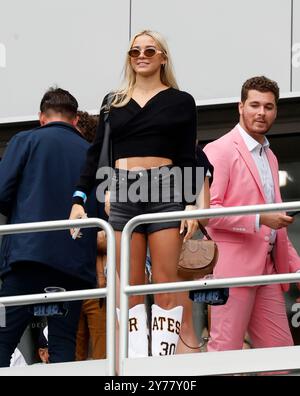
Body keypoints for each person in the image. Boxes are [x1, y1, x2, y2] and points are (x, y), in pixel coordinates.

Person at [70, 30, 211, 357]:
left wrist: (191, 203)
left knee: (164, 285)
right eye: (135, 51)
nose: (141, 55)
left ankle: (162, 362)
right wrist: (79, 198)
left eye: (149, 50)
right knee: (129, 285)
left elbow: (187, 155)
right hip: (122, 187)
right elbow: (96, 154)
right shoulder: (113, 101)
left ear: (163, 57)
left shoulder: (181, 101)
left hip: (165, 186)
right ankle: (136, 362)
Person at [0, 87, 98, 367]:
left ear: (41, 117)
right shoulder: (90, 153)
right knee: (63, 344)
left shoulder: (25, 140)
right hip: (73, 264)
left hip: (27, 257)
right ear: (76, 120)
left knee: (3, 337)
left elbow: (1, 192)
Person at [203, 76, 300, 351]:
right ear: (240, 106)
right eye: (254, 105)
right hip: (232, 270)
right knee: (225, 354)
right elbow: (208, 212)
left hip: (267, 270)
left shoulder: (270, 156)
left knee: (279, 357)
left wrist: (296, 268)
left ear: (276, 111)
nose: (261, 112)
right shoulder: (219, 149)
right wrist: (259, 219)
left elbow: (277, 224)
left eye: (268, 107)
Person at [75, 112, 107, 361]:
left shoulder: (102, 183)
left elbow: (113, 235)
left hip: (97, 281)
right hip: (85, 280)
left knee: (101, 351)